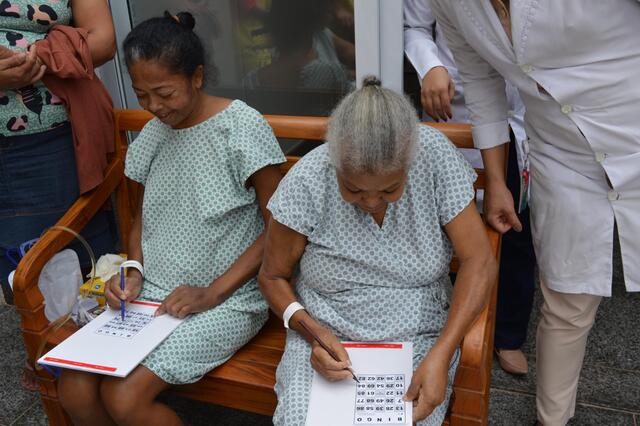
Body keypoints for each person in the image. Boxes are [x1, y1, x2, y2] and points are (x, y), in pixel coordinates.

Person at [56, 12, 285, 426]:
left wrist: (213, 293)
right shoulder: (154, 134)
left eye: (164, 92)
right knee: (73, 384)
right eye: (142, 95)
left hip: (229, 299)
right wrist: (133, 269)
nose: (154, 107)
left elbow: (280, 228)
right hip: (153, 295)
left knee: (125, 398)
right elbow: (144, 216)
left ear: (197, 77)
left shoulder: (239, 127)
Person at [428, 1, 640, 425]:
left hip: (631, 118)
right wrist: (496, 181)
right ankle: (552, 420)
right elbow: (481, 79)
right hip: (559, 151)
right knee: (567, 295)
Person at [258, 76, 498, 425]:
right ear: (335, 163)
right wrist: (313, 334)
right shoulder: (310, 177)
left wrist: (442, 354)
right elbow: (272, 276)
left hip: (420, 338)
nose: (371, 202)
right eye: (353, 189)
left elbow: (479, 261)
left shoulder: (432, 157)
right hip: (325, 341)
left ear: (409, 162)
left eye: (389, 189)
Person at [403, 0, 536, 376]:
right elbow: (414, 26)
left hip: (522, 114)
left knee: (514, 232)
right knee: (445, 225)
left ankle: (508, 334)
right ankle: (441, 325)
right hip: (456, 105)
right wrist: (431, 66)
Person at [0, 0, 116, 390]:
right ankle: (54, 367)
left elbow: (103, 39)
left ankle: (105, 362)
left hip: (50, 141)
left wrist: (40, 60)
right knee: (19, 263)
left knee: (78, 253)